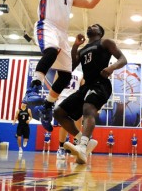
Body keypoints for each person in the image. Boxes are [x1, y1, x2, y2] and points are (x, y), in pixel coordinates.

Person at [23, 0, 110, 132]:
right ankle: (33, 87)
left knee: (66, 74)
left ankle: (47, 106)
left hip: (62, 31)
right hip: (47, 26)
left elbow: (90, 4)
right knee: (51, 50)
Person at [54, 24, 127, 164]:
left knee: (88, 108)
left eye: (94, 26)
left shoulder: (105, 42)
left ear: (100, 31)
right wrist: (75, 46)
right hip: (86, 86)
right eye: (89, 26)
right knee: (58, 112)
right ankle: (84, 140)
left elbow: (123, 59)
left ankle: (82, 146)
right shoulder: (82, 50)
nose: (90, 26)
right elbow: (72, 66)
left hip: (101, 84)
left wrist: (111, 68)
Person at [55, 68, 84, 160]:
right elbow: (55, 85)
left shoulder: (80, 73)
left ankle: (77, 145)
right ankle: (61, 148)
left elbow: (83, 87)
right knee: (65, 123)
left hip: (75, 98)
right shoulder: (61, 69)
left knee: (79, 119)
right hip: (63, 97)